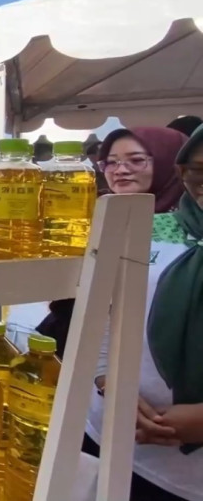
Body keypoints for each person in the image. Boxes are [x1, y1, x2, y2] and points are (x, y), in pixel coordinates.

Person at [83, 125, 203, 501]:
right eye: (197, 169)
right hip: (108, 430)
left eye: (136, 160)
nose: (121, 170)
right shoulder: (146, 228)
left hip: (186, 476)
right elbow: (104, 314)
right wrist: (109, 382)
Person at [38, 126, 187, 357]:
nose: (120, 170)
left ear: (170, 163)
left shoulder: (190, 228)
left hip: (170, 364)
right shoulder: (92, 218)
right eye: (111, 162)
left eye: (136, 160)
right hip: (95, 360)